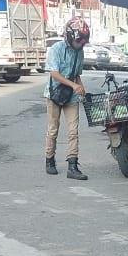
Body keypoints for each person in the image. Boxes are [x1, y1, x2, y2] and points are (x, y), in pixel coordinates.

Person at [45, 17, 89, 180]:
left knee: (73, 131)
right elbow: (54, 74)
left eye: (83, 41)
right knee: (53, 129)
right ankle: (49, 160)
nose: (81, 44)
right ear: (70, 36)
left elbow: (77, 74)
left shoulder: (80, 52)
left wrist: (80, 86)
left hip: (71, 96)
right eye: (79, 40)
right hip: (54, 94)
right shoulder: (56, 49)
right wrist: (73, 85)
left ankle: (73, 165)